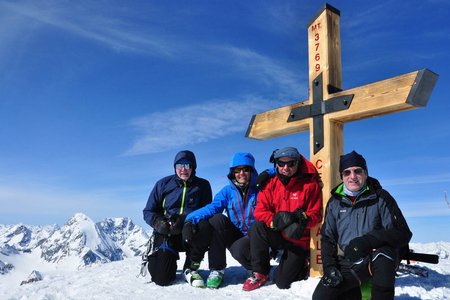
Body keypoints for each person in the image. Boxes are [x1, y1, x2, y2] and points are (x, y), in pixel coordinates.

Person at [312, 151, 412, 300]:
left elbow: (402, 232)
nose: (352, 176)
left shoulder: (381, 197)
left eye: (357, 171)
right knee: (321, 297)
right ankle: (355, 291)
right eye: (347, 172)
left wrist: (367, 241)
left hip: (375, 260)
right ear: (342, 176)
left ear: (365, 173)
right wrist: (330, 267)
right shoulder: (334, 203)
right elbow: (327, 238)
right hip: (348, 262)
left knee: (383, 255)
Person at [243, 146, 323, 291]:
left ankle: (302, 262)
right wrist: (276, 220)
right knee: (258, 227)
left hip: (298, 240)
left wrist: (303, 219)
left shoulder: (309, 185)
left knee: (282, 282)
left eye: (291, 163)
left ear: (297, 163)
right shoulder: (270, 184)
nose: (286, 167)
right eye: (281, 163)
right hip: (278, 234)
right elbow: (260, 211)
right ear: (276, 164)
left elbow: (316, 214)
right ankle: (260, 273)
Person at [184, 152, 258, 289]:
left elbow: (277, 174)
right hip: (238, 236)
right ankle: (217, 269)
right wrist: (189, 220)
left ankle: (257, 268)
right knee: (217, 219)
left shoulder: (260, 190)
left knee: (257, 229)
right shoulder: (227, 192)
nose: (241, 173)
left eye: (246, 169)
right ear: (232, 172)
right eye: (237, 170)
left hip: (257, 236)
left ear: (252, 171)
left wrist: (272, 170)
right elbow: (212, 208)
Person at [142, 150, 213, 287]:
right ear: (175, 167)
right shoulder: (163, 184)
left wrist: (188, 220)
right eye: (180, 165)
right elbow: (149, 211)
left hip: (191, 230)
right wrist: (157, 222)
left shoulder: (203, 185)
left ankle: (191, 265)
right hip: (168, 231)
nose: (183, 169)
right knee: (162, 279)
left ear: (193, 167)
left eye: (188, 165)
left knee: (205, 225)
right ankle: (167, 263)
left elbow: (207, 211)